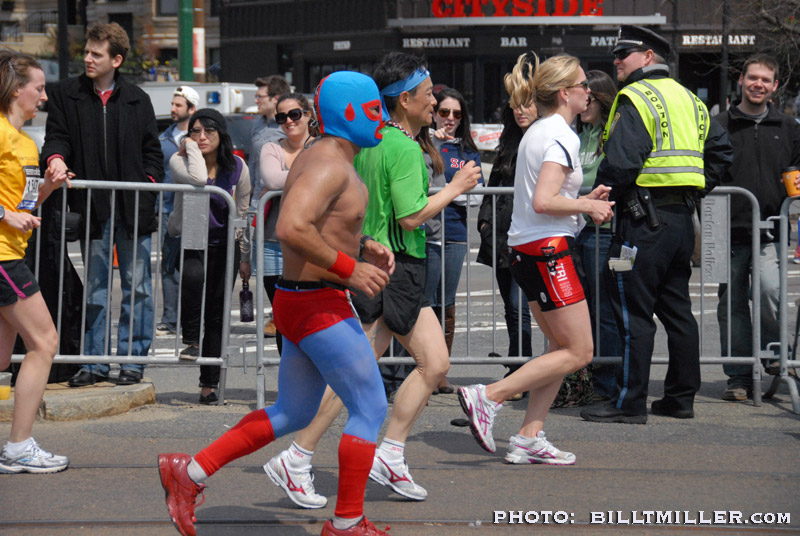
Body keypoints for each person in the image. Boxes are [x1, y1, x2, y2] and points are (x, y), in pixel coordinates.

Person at [158, 71, 395, 536]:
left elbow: (320, 222)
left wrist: (363, 243)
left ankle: (189, 473)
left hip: (302, 300)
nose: (382, 118)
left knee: (293, 411)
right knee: (370, 408)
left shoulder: (324, 155)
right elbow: (290, 227)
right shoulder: (330, 163)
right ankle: (347, 522)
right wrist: (350, 268)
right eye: (375, 109)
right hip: (318, 303)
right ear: (350, 113)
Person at [264, 52, 481, 508]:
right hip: (390, 268)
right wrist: (455, 189)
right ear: (404, 100)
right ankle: (302, 457)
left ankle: (385, 453)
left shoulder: (367, 141)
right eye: (428, 95)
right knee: (361, 379)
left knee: (431, 363)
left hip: (378, 264)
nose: (435, 102)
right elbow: (409, 216)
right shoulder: (400, 147)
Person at [457, 53, 614, 464]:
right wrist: (588, 206)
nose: (589, 91)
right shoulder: (562, 135)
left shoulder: (539, 130)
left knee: (559, 348)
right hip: (548, 251)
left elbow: (541, 197)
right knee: (579, 352)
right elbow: (545, 200)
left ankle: (529, 436)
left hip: (528, 250)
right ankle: (488, 396)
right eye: (582, 85)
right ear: (564, 93)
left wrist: (582, 199)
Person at [579, 25, 733, 424]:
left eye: (623, 54)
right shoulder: (691, 99)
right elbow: (721, 152)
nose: (616, 61)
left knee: (632, 312)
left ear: (648, 56)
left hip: (642, 223)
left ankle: (628, 403)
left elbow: (621, 163)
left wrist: (601, 197)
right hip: (680, 222)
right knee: (678, 311)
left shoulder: (636, 96)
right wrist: (694, 188)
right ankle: (680, 399)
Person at [42, 22, 163, 387]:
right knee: (96, 287)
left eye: (96, 54)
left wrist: (148, 185)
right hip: (93, 207)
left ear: (117, 60)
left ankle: (132, 361)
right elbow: (56, 137)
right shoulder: (67, 94)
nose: (88, 59)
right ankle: (94, 362)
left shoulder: (137, 98)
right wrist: (56, 159)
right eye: (87, 52)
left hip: (133, 207)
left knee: (137, 286)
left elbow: (152, 152)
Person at [712, 54, 800, 401]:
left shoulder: (789, 127)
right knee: (730, 305)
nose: (758, 85)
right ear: (741, 81)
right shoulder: (719, 124)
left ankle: (774, 355)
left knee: (769, 290)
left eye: (765, 80)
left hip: (771, 228)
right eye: (752, 78)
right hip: (725, 229)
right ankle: (739, 376)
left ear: (774, 86)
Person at [0, 50, 71, 473]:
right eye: (39, 88)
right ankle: (18, 447)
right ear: (15, 90)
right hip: (3, 258)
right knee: (44, 343)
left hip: (12, 251)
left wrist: (48, 186)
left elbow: (26, 206)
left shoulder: (27, 142)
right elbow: (9, 212)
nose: (44, 97)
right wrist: (4, 215)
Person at [168, 108, 251, 404]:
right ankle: (191, 340)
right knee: (192, 279)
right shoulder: (179, 160)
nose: (202, 137)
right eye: (195, 131)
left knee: (216, 314)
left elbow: (242, 212)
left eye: (209, 131)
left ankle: (209, 384)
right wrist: (190, 148)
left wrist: (244, 256)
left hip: (225, 243)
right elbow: (199, 178)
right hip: (192, 237)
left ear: (221, 134)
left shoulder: (238, 166)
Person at [477, 52, 537, 401]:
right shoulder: (509, 142)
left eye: (527, 104)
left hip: (528, 235)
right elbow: (493, 185)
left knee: (520, 307)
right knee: (512, 309)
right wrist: (485, 222)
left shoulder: (543, 137)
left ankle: (521, 373)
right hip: (501, 235)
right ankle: (518, 368)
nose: (520, 110)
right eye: (516, 105)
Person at [426, 87, 484, 393]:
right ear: (434, 113)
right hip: (424, 232)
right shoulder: (425, 144)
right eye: (444, 112)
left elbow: (476, 197)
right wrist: (456, 187)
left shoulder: (468, 151)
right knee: (424, 304)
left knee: (446, 304)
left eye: (456, 114)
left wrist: (448, 191)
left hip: (455, 234)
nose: (450, 118)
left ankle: (440, 372)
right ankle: (422, 369)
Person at [569, 70, 621, 405]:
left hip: (605, 232)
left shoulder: (612, 133)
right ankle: (591, 377)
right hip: (582, 230)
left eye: (589, 97)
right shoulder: (581, 134)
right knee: (585, 309)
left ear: (602, 99)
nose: (584, 102)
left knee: (604, 311)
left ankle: (608, 382)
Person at [258, 93, 317, 356]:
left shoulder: (322, 146)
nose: (288, 121)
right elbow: (271, 179)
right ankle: (290, 376)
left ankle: (311, 375)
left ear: (308, 114)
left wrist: (290, 176)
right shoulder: (271, 148)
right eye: (281, 117)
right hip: (273, 243)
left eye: (294, 114)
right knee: (282, 317)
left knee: (311, 314)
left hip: (313, 242)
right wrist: (314, 174)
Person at [156, 86, 199, 338]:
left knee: (194, 266)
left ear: (191, 109)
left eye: (178, 105)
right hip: (167, 210)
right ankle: (170, 319)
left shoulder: (200, 138)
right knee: (169, 265)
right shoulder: (163, 139)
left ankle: (194, 318)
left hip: (195, 207)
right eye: (172, 104)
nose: (173, 109)